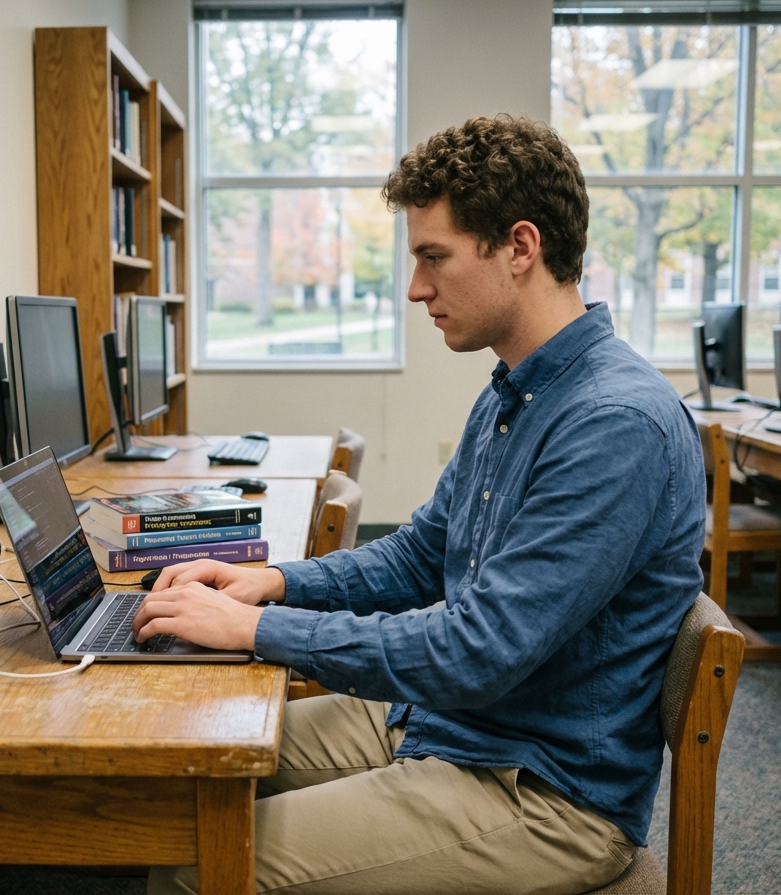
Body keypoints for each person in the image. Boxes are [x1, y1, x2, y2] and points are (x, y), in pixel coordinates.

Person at [135, 114, 706, 895]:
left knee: (197, 867)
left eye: (433, 257)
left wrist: (259, 630)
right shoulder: (516, 388)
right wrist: (275, 584)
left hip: (539, 789)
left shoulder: (615, 424)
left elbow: (478, 650)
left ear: (520, 247)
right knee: (171, 772)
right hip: (450, 723)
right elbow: (419, 554)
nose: (415, 288)